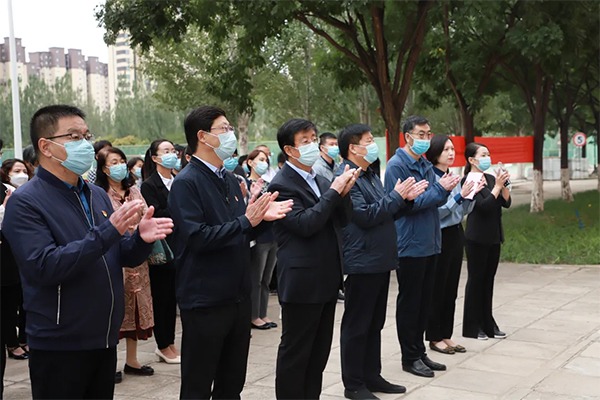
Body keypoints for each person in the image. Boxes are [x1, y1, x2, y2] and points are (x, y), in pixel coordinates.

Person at [2, 105, 173, 399]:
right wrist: (109, 232)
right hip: (60, 343)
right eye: (74, 136)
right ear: (46, 146)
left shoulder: (94, 194)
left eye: (86, 135)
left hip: (103, 336)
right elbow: (44, 266)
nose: (85, 144)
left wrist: (141, 240)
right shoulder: (26, 201)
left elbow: (119, 254)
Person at [168, 106, 292, 399]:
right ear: (203, 136)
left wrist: (262, 220)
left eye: (230, 129)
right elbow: (198, 238)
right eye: (224, 129)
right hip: (205, 300)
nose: (230, 135)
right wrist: (247, 221)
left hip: (237, 296)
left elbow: (240, 232)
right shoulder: (186, 182)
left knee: (232, 383)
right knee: (198, 385)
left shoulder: (229, 179)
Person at [268, 118, 360, 400]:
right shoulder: (281, 185)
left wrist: (343, 193)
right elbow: (305, 224)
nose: (311, 145)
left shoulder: (320, 179)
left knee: (318, 354)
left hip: (327, 277)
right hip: (302, 281)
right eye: (304, 141)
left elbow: (343, 219)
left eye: (313, 138)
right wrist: (333, 192)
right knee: (296, 353)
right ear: (289, 149)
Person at [337, 124, 428, 400]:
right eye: (368, 141)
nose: (372, 145)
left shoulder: (370, 175)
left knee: (374, 322)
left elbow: (385, 212)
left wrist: (404, 200)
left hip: (379, 258)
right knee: (357, 325)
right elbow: (365, 216)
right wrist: (396, 197)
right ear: (353, 148)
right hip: (362, 259)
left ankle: (371, 376)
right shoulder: (347, 178)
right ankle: (353, 384)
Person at [384, 115, 460, 378]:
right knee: (410, 303)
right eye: (421, 134)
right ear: (407, 137)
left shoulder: (425, 164)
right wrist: (439, 190)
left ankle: (419, 352)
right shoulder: (397, 166)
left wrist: (443, 190)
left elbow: (431, 199)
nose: (426, 139)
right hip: (410, 244)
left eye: (429, 134)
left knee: (424, 302)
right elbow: (407, 203)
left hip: (430, 242)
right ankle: (409, 357)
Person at [96, 147, 155, 381]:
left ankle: (132, 360)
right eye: (114, 162)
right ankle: (110, 364)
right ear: (103, 168)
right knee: (114, 309)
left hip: (138, 258)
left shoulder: (135, 190)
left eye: (122, 161)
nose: (120, 165)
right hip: (114, 258)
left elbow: (146, 215)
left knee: (137, 309)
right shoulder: (99, 194)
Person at [424, 135, 482, 355]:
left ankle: (446, 334)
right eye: (445, 149)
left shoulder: (453, 177)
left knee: (451, 288)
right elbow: (435, 212)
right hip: (438, 234)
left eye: (452, 149)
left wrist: (470, 196)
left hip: (456, 233)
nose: (450, 153)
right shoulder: (430, 177)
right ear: (435, 152)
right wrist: (458, 198)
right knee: (437, 287)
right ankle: (434, 336)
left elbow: (461, 212)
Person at [462, 142, 511, 340]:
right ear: (472, 160)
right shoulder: (469, 180)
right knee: (476, 281)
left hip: (493, 236)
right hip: (476, 238)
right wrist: (497, 187)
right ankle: (472, 326)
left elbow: (505, 203)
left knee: (488, 281)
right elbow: (483, 206)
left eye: (488, 154)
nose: (487, 158)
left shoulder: (491, 178)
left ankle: (488, 323)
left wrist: (504, 185)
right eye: (483, 155)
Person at [140, 139, 181, 364]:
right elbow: (156, 214)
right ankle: (163, 344)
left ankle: (171, 343)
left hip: (180, 246)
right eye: (166, 151)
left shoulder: (179, 180)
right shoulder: (149, 185)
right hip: (162, 249)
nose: (172, 154)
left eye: (173, 150)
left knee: (173, 299)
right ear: (155, 158)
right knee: (162, 299)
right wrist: (179, 210)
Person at [0, 159, 32, 362]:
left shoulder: (13, 190)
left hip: (21, 254)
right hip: (5, 258)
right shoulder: (7, 193)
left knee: (25, 301)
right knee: (8, 305)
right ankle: (11, 342)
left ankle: (24, 339)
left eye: (24, 170)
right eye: (16, 170)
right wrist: (4, 209)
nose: (22, 174)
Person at [246, 149, 278, 330]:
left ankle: (263, 313)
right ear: (250, 162)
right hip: (259, 237)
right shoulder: (246, 183)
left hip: (273, 235)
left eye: (266, 160)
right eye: (260, 159)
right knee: (256, 279)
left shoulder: (270, 184)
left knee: (266, 278)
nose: (264, 163)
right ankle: (254, 315)